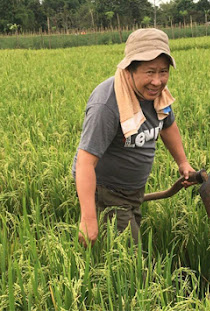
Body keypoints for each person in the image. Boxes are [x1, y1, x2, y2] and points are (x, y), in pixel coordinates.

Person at [73, 28, 196, 247]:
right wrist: (88, 219)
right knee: (130, 261)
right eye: (150, 72)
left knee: (121, 251)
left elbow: (167, 125)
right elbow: (85, 162)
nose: (157, 81)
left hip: (134, 190)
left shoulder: (157, 96)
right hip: (106, 191)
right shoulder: (107, 104)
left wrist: (183, 162)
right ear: (130, 69)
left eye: (163, 72)